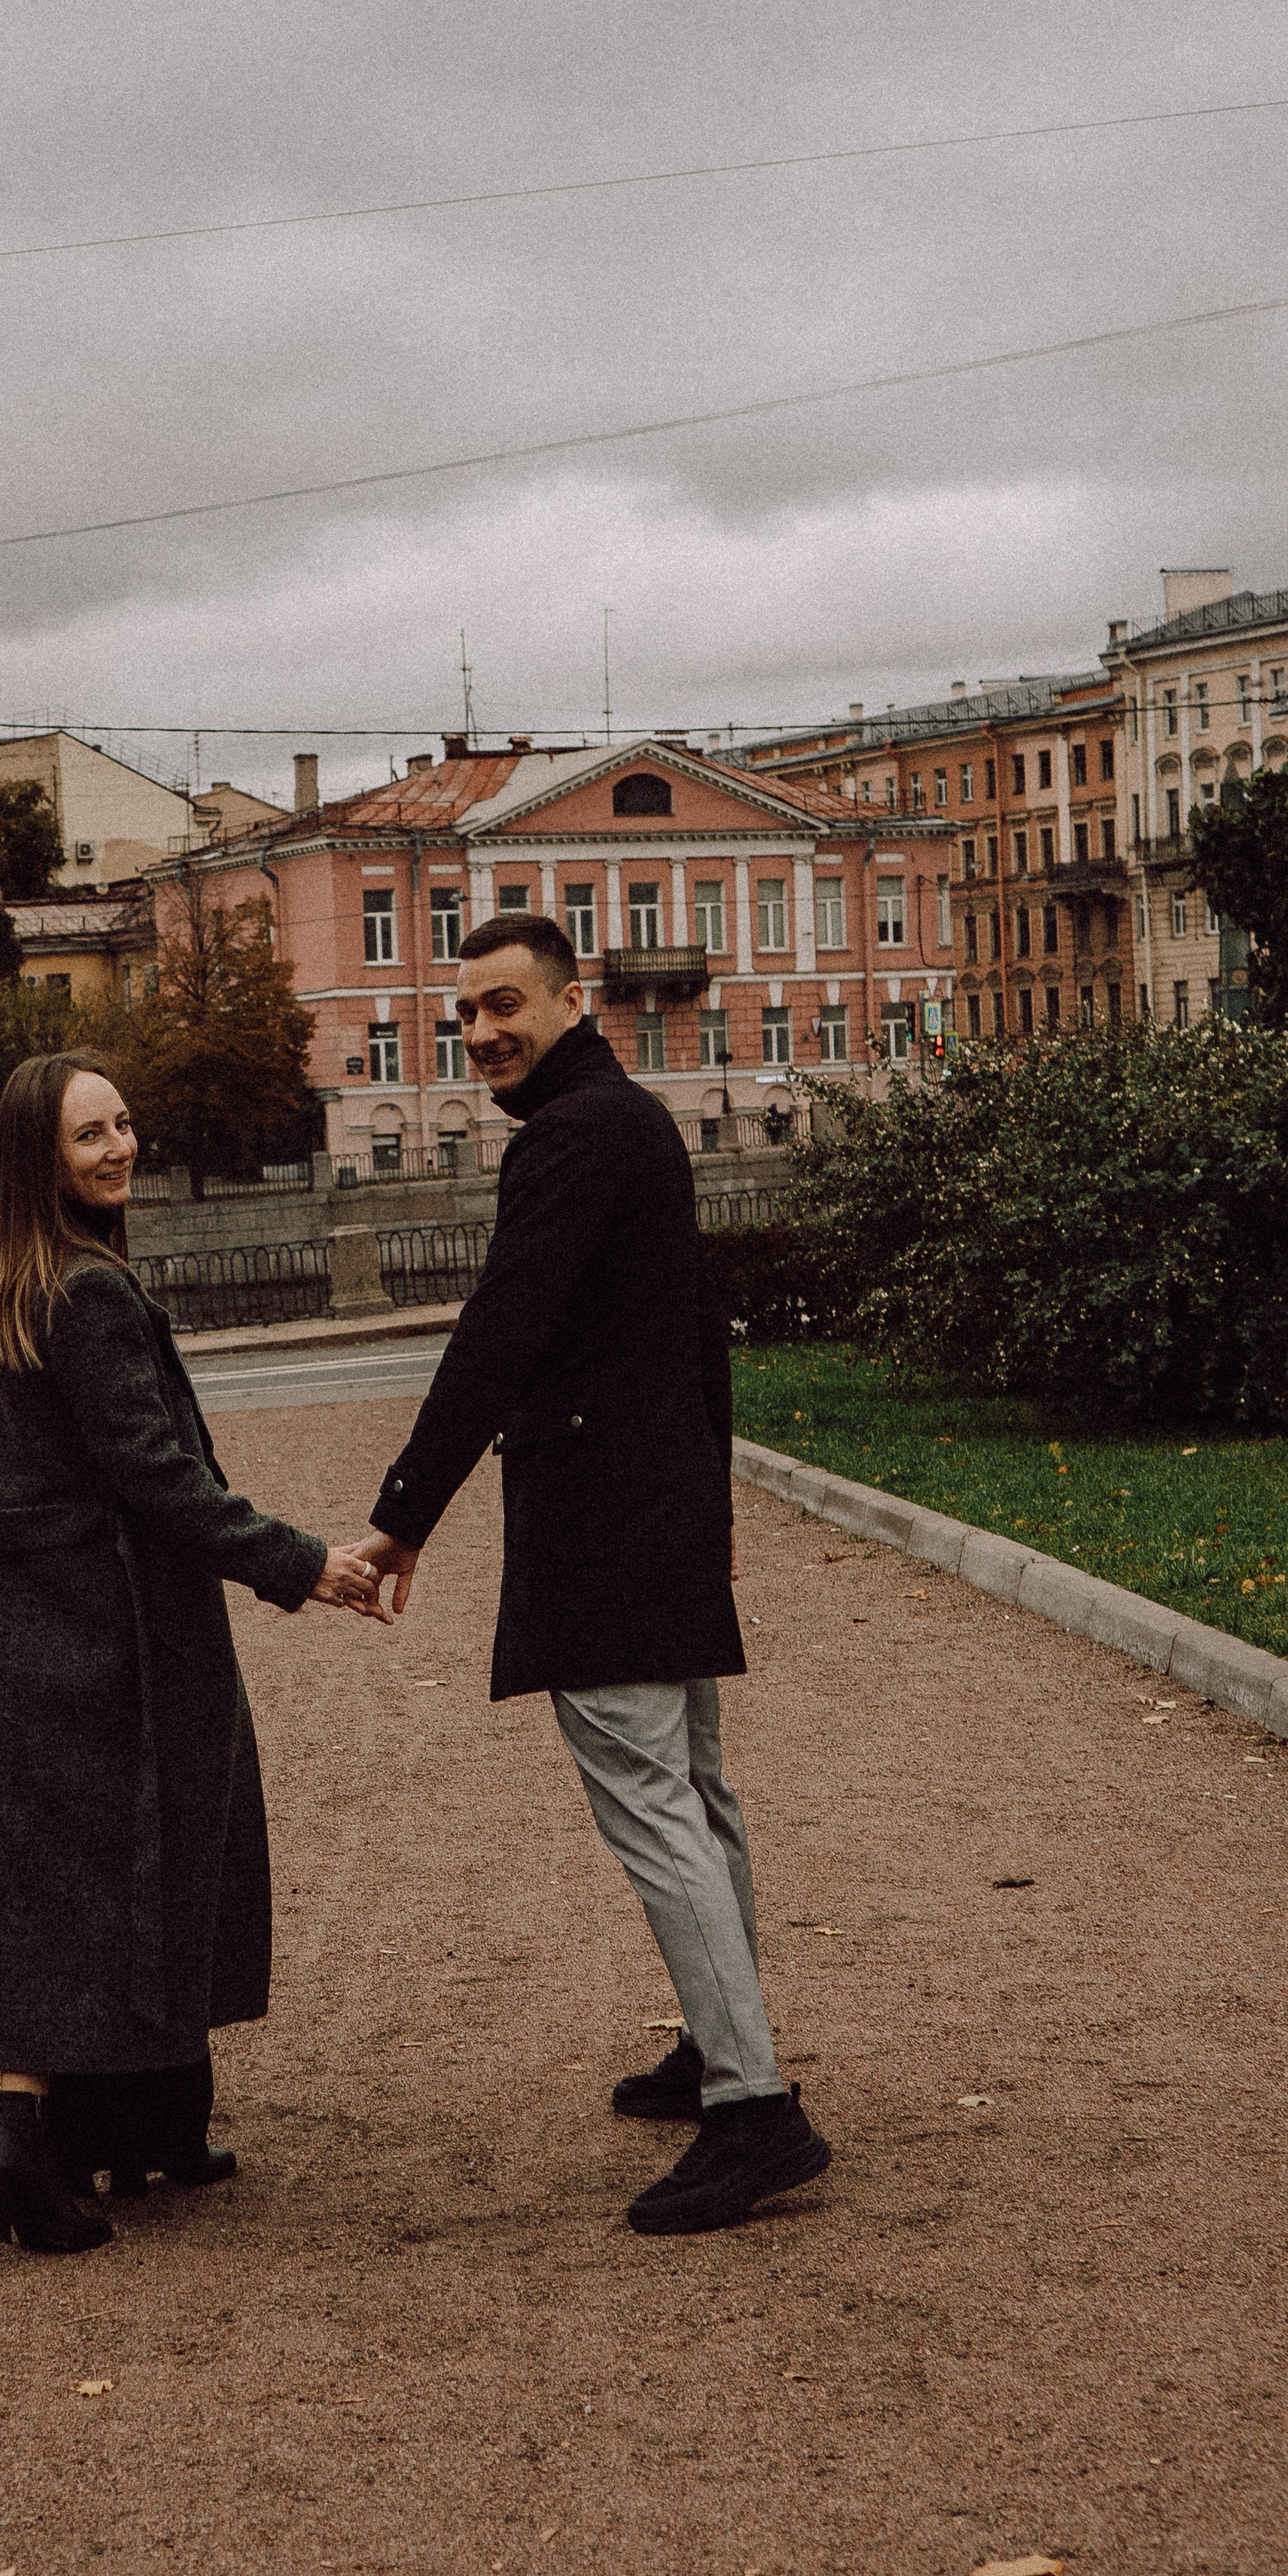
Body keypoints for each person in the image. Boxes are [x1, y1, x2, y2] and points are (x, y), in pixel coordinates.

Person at [359, 916, 832, 2235]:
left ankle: (753, 2107)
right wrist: (712, 1498)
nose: (483, 1031)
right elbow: (698, 1326)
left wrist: (404, 1514)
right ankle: (719, 2047)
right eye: (468, 1013)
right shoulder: (638, 1122)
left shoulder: (568, 1138)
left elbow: (500, 1331)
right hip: (661, 1506)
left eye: (506, 1005)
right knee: (700, 1797)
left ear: (572, 1004)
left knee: (656, 1808)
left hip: (602, 1522)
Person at [0, 1053, 383, 2255]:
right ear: (38, 1158)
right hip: (115, 1634)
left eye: (125, 1123)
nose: (121, 1147)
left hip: (24, 1636)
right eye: (91, 1135)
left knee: (64, 1885)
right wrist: (301, 1562)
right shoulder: (84, 1293)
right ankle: (38, 2147)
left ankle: (138, 2118)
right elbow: (159, 1477)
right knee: (152, 1859)